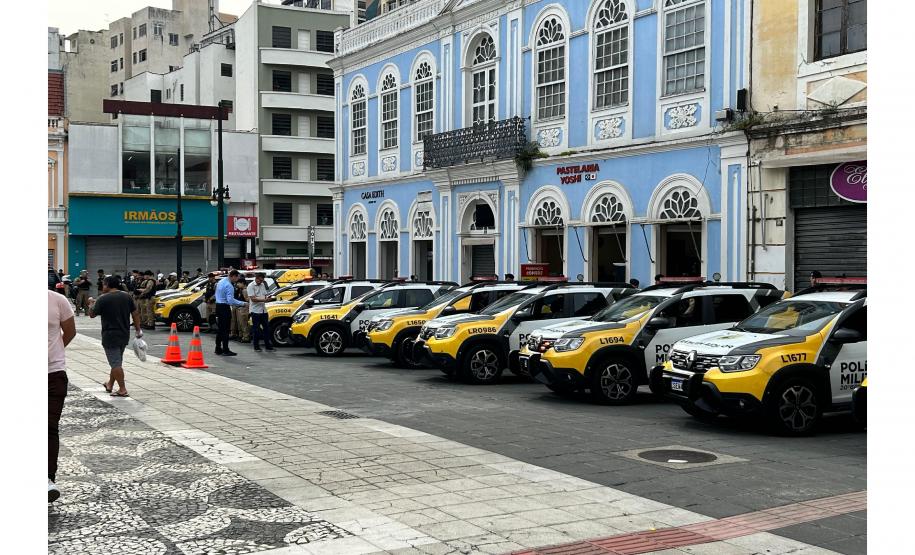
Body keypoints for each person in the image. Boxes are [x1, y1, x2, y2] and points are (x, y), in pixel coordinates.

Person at [89, 276, 142, 398]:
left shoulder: (103, 298)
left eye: (103, 284)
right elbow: (135, 313)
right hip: (124, 334)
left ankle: (122, 389)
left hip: (110, 335)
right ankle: (110, 384)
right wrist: (138, 329)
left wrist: (91, 303)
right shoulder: (127, 296)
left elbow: (92, 314)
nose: (102, 287)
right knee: (117, 360)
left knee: (115, 363)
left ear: (108, 284)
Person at [48, 289, 76, 503]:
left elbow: (70, 331)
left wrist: (55, 351)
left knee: (49, 427)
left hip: (53, 374)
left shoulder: (57, 300)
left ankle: (47, 479)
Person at [215, 271, 247, 356]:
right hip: (224, 307)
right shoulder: (229, 286)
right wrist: (243, 303)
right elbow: (230, 300)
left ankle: (218, 348)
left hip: (218, 306)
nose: (237, 280)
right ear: (233, 276)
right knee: (226, 330)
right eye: (237, 278)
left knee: (220, 329)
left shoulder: (221, 282)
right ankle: (226, 349)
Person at [247, 272, 276, 352]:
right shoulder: (251, 286)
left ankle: (268, 346)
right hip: (255, 311)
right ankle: (256, 346)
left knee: (266, 328)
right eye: (259, 280)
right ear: (256, 278)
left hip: (263, 310)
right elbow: (253, 299)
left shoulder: (262, 285)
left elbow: (265, 295)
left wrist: (269, 298)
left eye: (262, 280)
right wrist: (264, 299)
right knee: (256, 329)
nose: (261, 282)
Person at [232, 278, 251, 343]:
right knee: (240, 323)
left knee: (244, 323)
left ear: (243, 283)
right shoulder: (241, 290)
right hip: (240, 308)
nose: (237, 284)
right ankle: (242, 336)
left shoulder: (245, 290)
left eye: (239, 283)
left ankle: (246, 337)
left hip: (244, 309)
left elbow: (247, 300)